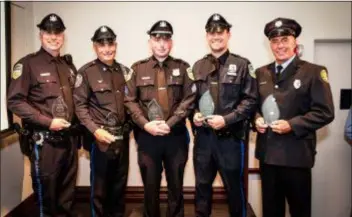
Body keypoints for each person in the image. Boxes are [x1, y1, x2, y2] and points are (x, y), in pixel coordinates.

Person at [254, 17, 335, 217]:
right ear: (270, 44)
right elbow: (254, 107)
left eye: (284, 40)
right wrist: (256, 119)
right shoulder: (261, 73)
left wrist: (292, 125)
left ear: (294, 42)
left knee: (300, 212)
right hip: (268, 157)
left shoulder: (313, 72)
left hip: (296, 157)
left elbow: (325, 112)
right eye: (275, 41)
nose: (279, 45)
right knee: (271, 212)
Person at [7, 13, 79, 217]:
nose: (53, 37)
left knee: (67, 197)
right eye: (48, 32)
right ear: (40, 34)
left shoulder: (68, 66)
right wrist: (48, 122)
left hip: (69, 141)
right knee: (47, 200)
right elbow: (15, 101)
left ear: (63, 36)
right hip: (45, 143)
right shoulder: (27, 64)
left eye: (58, 33)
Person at [124, 20, 196, 217]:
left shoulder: (183, 68)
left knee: (176, 186)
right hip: (148, 138)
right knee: (150, 187)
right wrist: (146, 125)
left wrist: (169, 123)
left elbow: (189, 100)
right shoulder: (137, 68)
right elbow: (129, 101)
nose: (162, 44)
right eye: (157, 39)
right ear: (150, 42)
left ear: (171, 42)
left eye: (166, 39)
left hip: (176, 137)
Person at [191, 13, 258, 217]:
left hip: (230, 140)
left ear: (228, 34)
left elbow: (250, 101)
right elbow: (191, 101)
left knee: (234, 190)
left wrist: (226, 120)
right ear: (206, 36)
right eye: (212, 32)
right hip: (203, 140)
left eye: (220, 32)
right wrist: (194, 115)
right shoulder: (197, 66)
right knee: (202, 188)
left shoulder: (243, 65)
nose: (216, 36)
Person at [73, 25, 131, 217]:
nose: (107, 49)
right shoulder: (86, 72)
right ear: (95, 47)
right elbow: (79, 107)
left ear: (116, 45)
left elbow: (131, 104)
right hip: (101, 140)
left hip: (122, 139)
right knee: (99, 189)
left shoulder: (125, 72)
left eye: (111, 44)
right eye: (102, 45)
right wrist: (95, 131)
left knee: (119, 186)